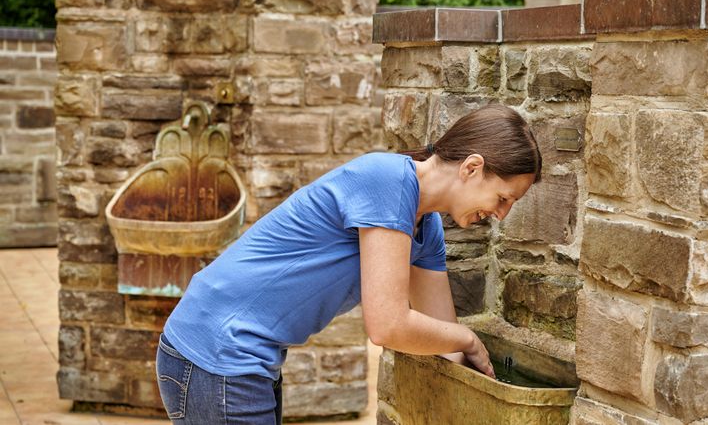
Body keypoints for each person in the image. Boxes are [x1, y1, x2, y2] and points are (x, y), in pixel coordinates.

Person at [155, 104, 542, 424]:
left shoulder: (428, 233)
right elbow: (388, 325)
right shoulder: (388, 181)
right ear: (472, 168)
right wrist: (469, 339)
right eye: (503, 198)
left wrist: (491, 390)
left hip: (248, 359)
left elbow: (442, 339)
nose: (502, 215)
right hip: (217, 349)